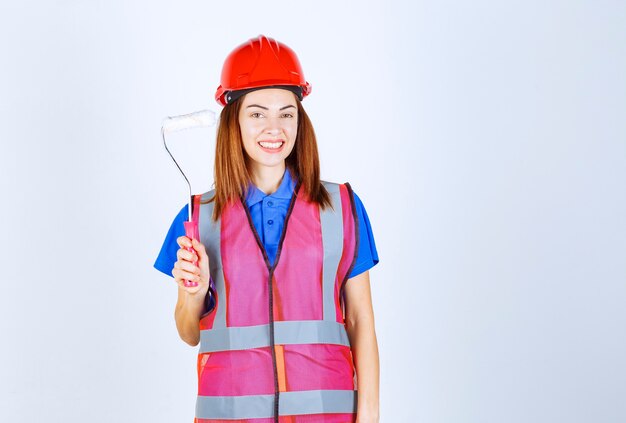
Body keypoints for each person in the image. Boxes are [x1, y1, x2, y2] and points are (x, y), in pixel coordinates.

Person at [154, 35, 380, 423]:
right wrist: (194, 293)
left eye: (286, 113)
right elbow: (189, 332)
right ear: (234, 120)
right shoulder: (199, 217)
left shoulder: (342, 208)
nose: (274, 128)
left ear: (299, 119)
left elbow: (361, 320)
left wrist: (370, 417)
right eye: (257, 113)